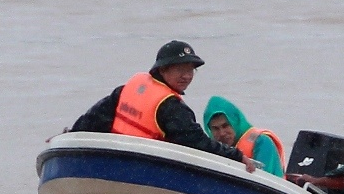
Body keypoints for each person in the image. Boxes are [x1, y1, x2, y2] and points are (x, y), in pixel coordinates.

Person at [69, 39, 240, 159]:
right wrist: (236, 156)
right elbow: (198, 144)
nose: (187, 76)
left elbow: (91, 120)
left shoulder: (126, 90)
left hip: (114, 163)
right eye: (180, 69)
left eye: (191, 70)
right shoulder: (171, 107)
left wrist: (68, 137)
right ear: (163, 70)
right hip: (142, 169)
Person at [203, 96, 284, 175]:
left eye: (225, 126)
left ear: (236, 122)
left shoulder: (262, 142)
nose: (222, 133)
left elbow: (263, 179)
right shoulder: (211, 150)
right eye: (216, 129)